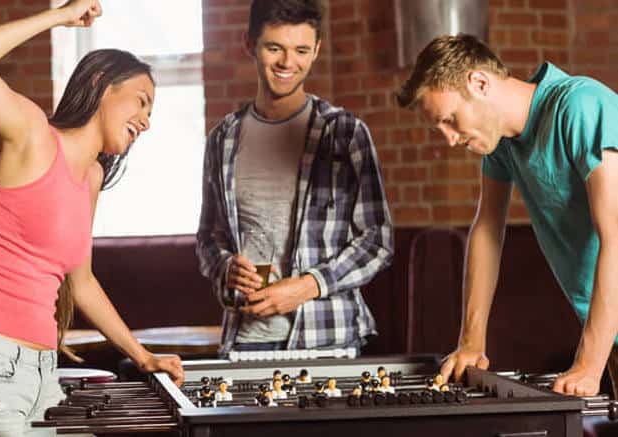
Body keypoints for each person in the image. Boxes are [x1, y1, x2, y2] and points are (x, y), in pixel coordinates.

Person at [0, 1, 184, 435]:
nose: (146, 120)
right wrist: (58, 17)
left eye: (152, 112)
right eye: (141, 101)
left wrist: (143, 356)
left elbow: (81, 283)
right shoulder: (32, 135)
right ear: (102, 84)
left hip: (39, 370)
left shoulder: (91, 178)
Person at [397, 33, 618, 397]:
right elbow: (486, 229)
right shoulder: (502, 146)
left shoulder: (580, 105)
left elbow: (614, 235)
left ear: (479, 83)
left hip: (600, 347)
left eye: (450, 119)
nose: (449, 139)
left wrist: (588, 364)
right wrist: (471, 342)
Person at [196, 0, 393, 355]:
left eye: (301, 50)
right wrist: (226, 268)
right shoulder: (222, 140)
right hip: (245, 343)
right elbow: (209, 239)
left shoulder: (346, 134)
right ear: (249, 44)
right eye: (275, 48)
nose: (288, 63)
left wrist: (308, 286)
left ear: (316, 50)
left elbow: (378, 240)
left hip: (328, 340)